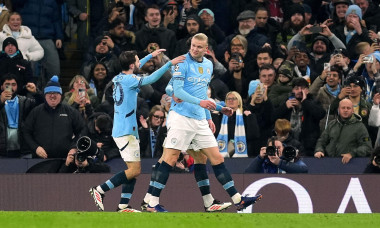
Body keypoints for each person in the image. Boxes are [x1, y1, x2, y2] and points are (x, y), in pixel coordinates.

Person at [146, 33, 262, 212]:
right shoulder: (182, 62)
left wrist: (212, 113)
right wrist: (202, 104)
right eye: (193, 45)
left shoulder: (208, 65)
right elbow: (177, 91)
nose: (194, 49)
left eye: (199, 47)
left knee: (212, 157)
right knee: (169, 158)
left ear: (206, 49)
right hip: (181, 118)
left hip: (199, 118)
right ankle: (151, 203)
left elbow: (202, 94)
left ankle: (235, 199)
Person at [89, 49, 185, 212]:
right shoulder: (131, 79)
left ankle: (123, 206)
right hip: (126, 130)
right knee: (135, 170)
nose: (140, 62)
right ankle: (99, 190)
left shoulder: (118, 77)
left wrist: (151, 55)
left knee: (132, 170)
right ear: (132, 65)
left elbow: (136, 63)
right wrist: (169, 63)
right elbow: (151, 78)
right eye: (137, 60)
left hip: (124, 128)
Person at [23, 76, 85, 159]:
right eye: (49, 93)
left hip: (64, 160)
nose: (52, 96)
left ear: (60, 95)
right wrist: (36, 148)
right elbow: (26, 132)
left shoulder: (70, 111)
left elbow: (82, 131)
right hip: (40, 160)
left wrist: (74, 148)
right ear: (45, 95)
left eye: (55, 93)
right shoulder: (36, 112)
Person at [273, 77, 326, 156]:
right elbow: (273, 117)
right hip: (287, 145)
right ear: (292, 90)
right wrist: (284, 107)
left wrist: (304, 102)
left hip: (308, 147)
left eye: (303, 88)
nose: (300, 91)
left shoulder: (313, 101)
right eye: (296, 88)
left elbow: (321, 114)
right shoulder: (287, 101)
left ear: (307, 90)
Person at [314, 98, 372, 164]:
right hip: (329, 163)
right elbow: (322, 141)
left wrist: (352, 154)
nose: (345, 110)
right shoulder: (332, 124)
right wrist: (319, 150)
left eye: (348, 108)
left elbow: (367, 147)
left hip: (349, 164)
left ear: (352, 110)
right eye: (343, 108)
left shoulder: (360, 127)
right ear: (339, 109)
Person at [0, 73, 43, 158]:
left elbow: (42, 106)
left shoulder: (24, 101)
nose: (11, 87)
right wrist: (0, 101)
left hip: (23, 150)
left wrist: (36, 92)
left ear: (17, 86)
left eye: (13, 84)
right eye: (7, 85)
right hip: (1, 151)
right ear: (1, 87)